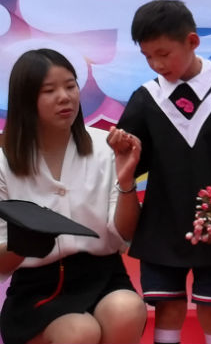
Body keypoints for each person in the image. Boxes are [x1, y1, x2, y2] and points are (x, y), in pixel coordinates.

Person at [116, 0, 211, 344]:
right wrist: (123, 150)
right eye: (148, 57)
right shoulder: (147, 97)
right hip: (162, 220)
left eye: (164, 53)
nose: (157, 64)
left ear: (192, 41)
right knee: (167, 309)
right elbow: (133, 160)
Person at [0, 49, 146, 344]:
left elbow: (124, 235)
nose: (65, 97)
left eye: (70, 86)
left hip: (104, 275)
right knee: (80, 331)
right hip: (37, 289)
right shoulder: (4, 162)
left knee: (127, 309)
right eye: (49, 91)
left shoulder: (106, 148)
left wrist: (126, 181)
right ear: (25, 99)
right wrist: (24, 243)